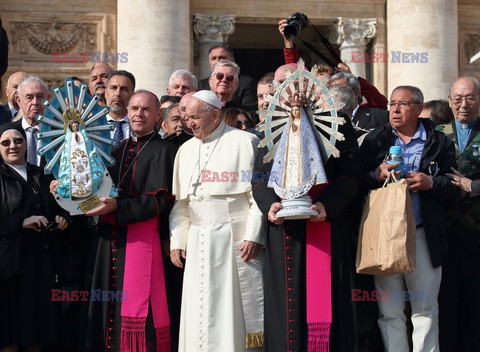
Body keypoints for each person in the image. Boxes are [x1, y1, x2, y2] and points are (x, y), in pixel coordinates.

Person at [253, 82, 361, 351]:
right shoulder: (269, 125)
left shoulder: (338, 123)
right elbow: (258, 178)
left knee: (329, 307)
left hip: (324, 224)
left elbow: (353, 174)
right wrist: (269, 205)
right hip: (282, 231)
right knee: (283, 308)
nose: (291, 92)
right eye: (283, 86)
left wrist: (328, 205)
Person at [357, 85, 458, 352]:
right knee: (389, 311)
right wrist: (376, 176)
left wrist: (430, 183)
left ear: (417, 108)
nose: (395, 110)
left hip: (424, 234)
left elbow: (454, 188)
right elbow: (355, 182)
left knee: (425, 310)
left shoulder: (439, 143)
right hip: (385, 236)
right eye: (391, 104)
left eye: (402, 104)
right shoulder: (375, 141)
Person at [80, 90, 177, 352]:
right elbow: (97, 189)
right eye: (134, 108)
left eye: (146, 109)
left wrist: (119, 206)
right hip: (107, 241)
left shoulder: (166, 151)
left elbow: (161, 200)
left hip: (141, 238)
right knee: (105, 306)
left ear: (158, 115)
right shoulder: (117, 149)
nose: (138, 114)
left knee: (139, 308)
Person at [169, 90, 264, 352]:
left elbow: (257, 196)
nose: (190, 124)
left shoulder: (246, 142)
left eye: (196, 118)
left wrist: (254, 234)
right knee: (198, 311)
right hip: (198, 241)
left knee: (229, 311)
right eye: (187, 119)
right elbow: (181, 204)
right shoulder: (184, 150)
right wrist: (178, 240)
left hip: (234, 240)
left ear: (214, 114)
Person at [0, 122, 69, 352]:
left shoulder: (42, 173)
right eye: (6, 142)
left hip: (40, 265)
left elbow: (59, 206)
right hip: (9, 267)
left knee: (36, 333)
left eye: (18, 140)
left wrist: (61, 218)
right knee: (8, 336)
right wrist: (20, 223)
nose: (13, 146)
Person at [439, 76, 480, 352]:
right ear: (450, 101)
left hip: (477, 236)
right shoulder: (437, 133)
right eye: (458, 98)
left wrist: (472, 186)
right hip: (443, 236)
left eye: (470, 98)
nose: (463, 105)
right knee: (446, 306)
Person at [277, 19, 388, 110]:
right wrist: (288, 42)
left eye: (328, 86)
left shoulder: (353, 112)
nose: (324, 91)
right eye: (319, 87)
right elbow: (296, 72)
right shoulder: (307, 113)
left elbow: (381, 104)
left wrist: (353, 79)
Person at [198, 42, 257, 113]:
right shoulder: (201, 85)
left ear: (232, 60)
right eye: (213, 58)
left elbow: (249, 112)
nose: (217, 61)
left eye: (222, 58)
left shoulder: (245, 83)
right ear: (210, 81)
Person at [329, 72, 389, 138]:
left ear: (356, 92)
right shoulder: (326, 118)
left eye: (340, 89)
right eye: (332, 89)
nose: (336, 93)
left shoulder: (379, 116)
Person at [14, 75, 48, 167]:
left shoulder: (59, 133)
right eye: (29, 97)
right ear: (19, 101)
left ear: (47, 99)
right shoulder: (6, 132)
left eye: (40, 96)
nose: (35, 102)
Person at [105, 70, 135, 143]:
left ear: (133, 95)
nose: (118, 93)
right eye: (113, 88)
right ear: (105, 92)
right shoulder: (93, 125)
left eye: (124, 89)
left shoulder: (138, 125)